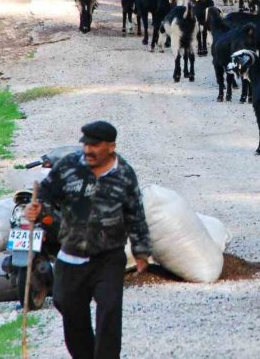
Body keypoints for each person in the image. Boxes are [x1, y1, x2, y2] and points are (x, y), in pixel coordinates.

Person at [25, 120, 152, 359]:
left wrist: (141, 250)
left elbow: (135, 212)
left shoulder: (124, 174)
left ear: (111, 147)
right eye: (85, 144)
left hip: (108, 256)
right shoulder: (69, 166)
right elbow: (45, 194)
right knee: (66, 305)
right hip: (71, 254)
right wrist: (36, 209)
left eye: (95, 145)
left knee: (109, 310)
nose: (88, 150)